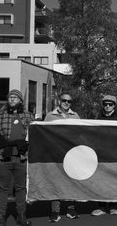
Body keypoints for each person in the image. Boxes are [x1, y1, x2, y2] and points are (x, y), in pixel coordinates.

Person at [0, 89, 34, 226]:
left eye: (15, 97)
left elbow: (35, 136)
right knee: (2, 188)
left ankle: (21, 216)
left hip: (21, 158)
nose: (12, 99)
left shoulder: (28, 116)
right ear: (7, 100)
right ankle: (0, 218)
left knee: (21, 188)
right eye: (10, 97)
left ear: (20, 100)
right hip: (2, 158)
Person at [44, 93, 80, 223]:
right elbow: (43, 133)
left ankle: (71, 210)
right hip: (55, 155)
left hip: (71, 155)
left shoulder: (75, 116)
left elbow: (79, 134)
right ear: (59, 101)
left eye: (69, 101)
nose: (66, 103)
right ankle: (55, 212)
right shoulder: (50, 116)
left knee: (71, 182)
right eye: (64, 100)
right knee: (56, 182)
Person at [91, 95, 117, 216]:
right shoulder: (98, 117)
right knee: (101, 180)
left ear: (114, 106)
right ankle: (102, 207)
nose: (107, 106)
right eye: (105, 104)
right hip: (100, 154)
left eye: (110, 104)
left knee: (113, 180)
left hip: (113, 155)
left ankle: (113, 206)